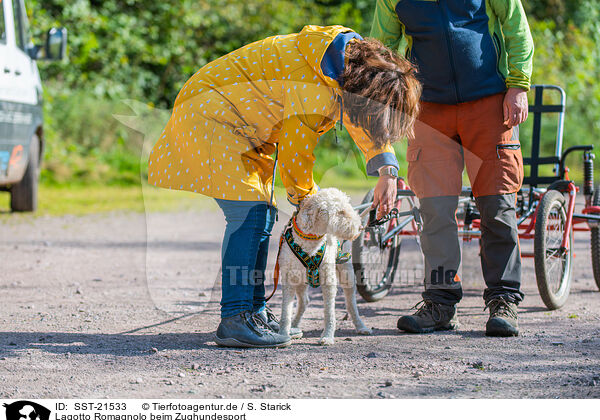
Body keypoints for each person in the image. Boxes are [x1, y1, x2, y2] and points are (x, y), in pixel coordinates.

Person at [148, 25, 422, 348]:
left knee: (262, 214)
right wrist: (309, 204)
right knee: (248, 214)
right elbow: (295, 154)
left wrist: (386, 168)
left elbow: (359, 116)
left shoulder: (346, 63)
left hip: (241, 127)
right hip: (212, 117)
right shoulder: (313, 86)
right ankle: (235, 318)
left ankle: (254, 312)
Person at [371, 0, 534, 336]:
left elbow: (516, 27)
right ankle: (440, 303)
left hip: (490, 103)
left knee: (497, 206)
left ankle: (503, 301)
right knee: (434, 211)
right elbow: (381, 50)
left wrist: (518, 84)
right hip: (428, 109)